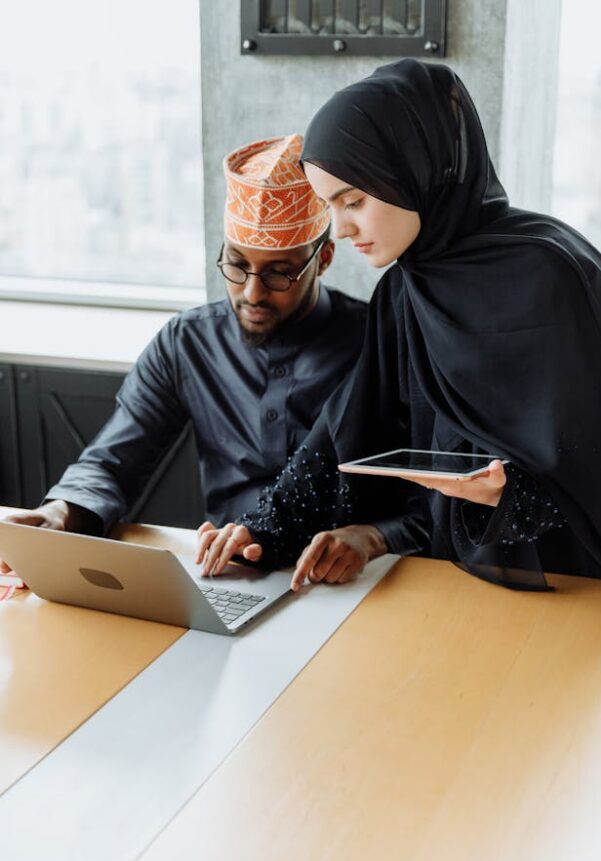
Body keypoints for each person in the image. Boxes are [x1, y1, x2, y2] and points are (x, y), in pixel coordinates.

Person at [198, 59, 601, 591]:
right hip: (466, 588)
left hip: (597, 592)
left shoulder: (553, 274)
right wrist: (263, 531)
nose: (342, 227)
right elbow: (346, 428)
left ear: (414, 167)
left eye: (354, 200)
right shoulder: (407, 288)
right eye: (329, 205)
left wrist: (509, 495)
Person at [0, 133, 406, 582]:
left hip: (356, 581)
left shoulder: (379, 343)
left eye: (279, 274)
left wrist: (372, 536)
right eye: (236, 265)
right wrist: (60, 514)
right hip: (228, 578)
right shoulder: (187, 342)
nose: (252, 294)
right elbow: (114, 460)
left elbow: (428, 494)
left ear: (323, 258)